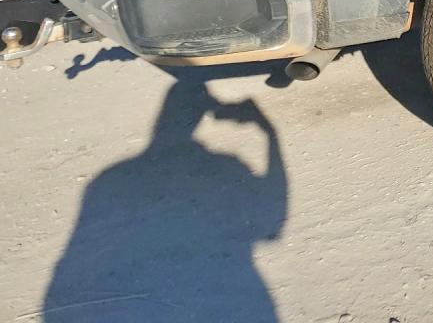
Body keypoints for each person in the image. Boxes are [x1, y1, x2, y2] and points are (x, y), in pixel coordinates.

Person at [43, 82, 286, 322]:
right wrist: (268, 132)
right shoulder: (226, 167)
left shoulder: (112, 177)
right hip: (227, 299)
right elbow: (272, 222)